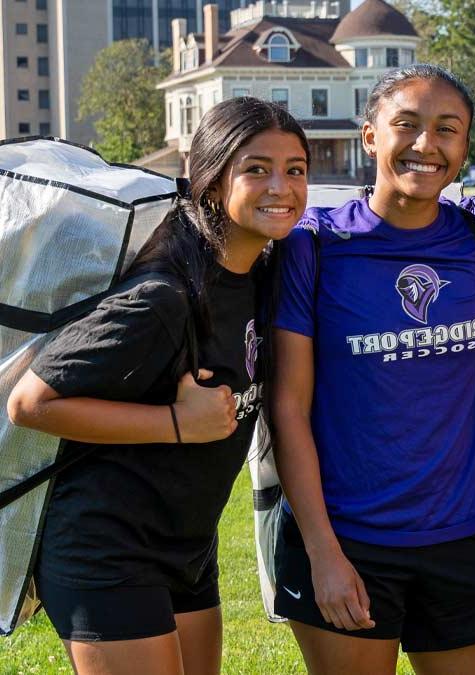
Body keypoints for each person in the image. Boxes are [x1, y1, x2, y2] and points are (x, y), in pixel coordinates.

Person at [6, 97, 308, 675]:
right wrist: (178, 424)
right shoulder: (164, 297)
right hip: (107, 548)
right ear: (212, 183)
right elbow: (31, 404)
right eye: (257, 168)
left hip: (189, 543)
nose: (282, 186)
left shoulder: (264, 277)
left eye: (295, 169)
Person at [268, 64, 475, 675]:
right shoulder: (315, 245)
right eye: (407, 124)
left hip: (464, 534)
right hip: (347, 538)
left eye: (447, 130)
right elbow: (289, 407)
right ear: (370, 135)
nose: (427, 145)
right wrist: (323, 553)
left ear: (464, 148)